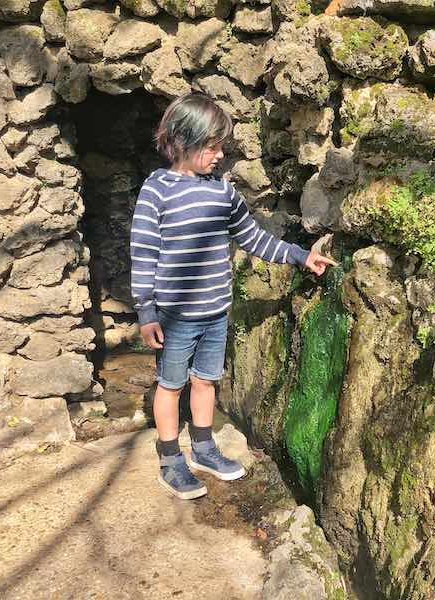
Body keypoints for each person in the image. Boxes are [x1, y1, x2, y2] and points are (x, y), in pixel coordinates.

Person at [130, 93, 337, 500]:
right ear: (181, 142)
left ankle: (204, 448)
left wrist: (299, 256)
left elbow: (252, 237)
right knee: (170, 386)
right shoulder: (157, 190)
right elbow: (143, 252)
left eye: (221, 146)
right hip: (174, 316)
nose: (220, 155)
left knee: (206, 381)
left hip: (215, 312)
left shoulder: (223, 192)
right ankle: (171, 459)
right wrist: (146, 310)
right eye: (212, 146)